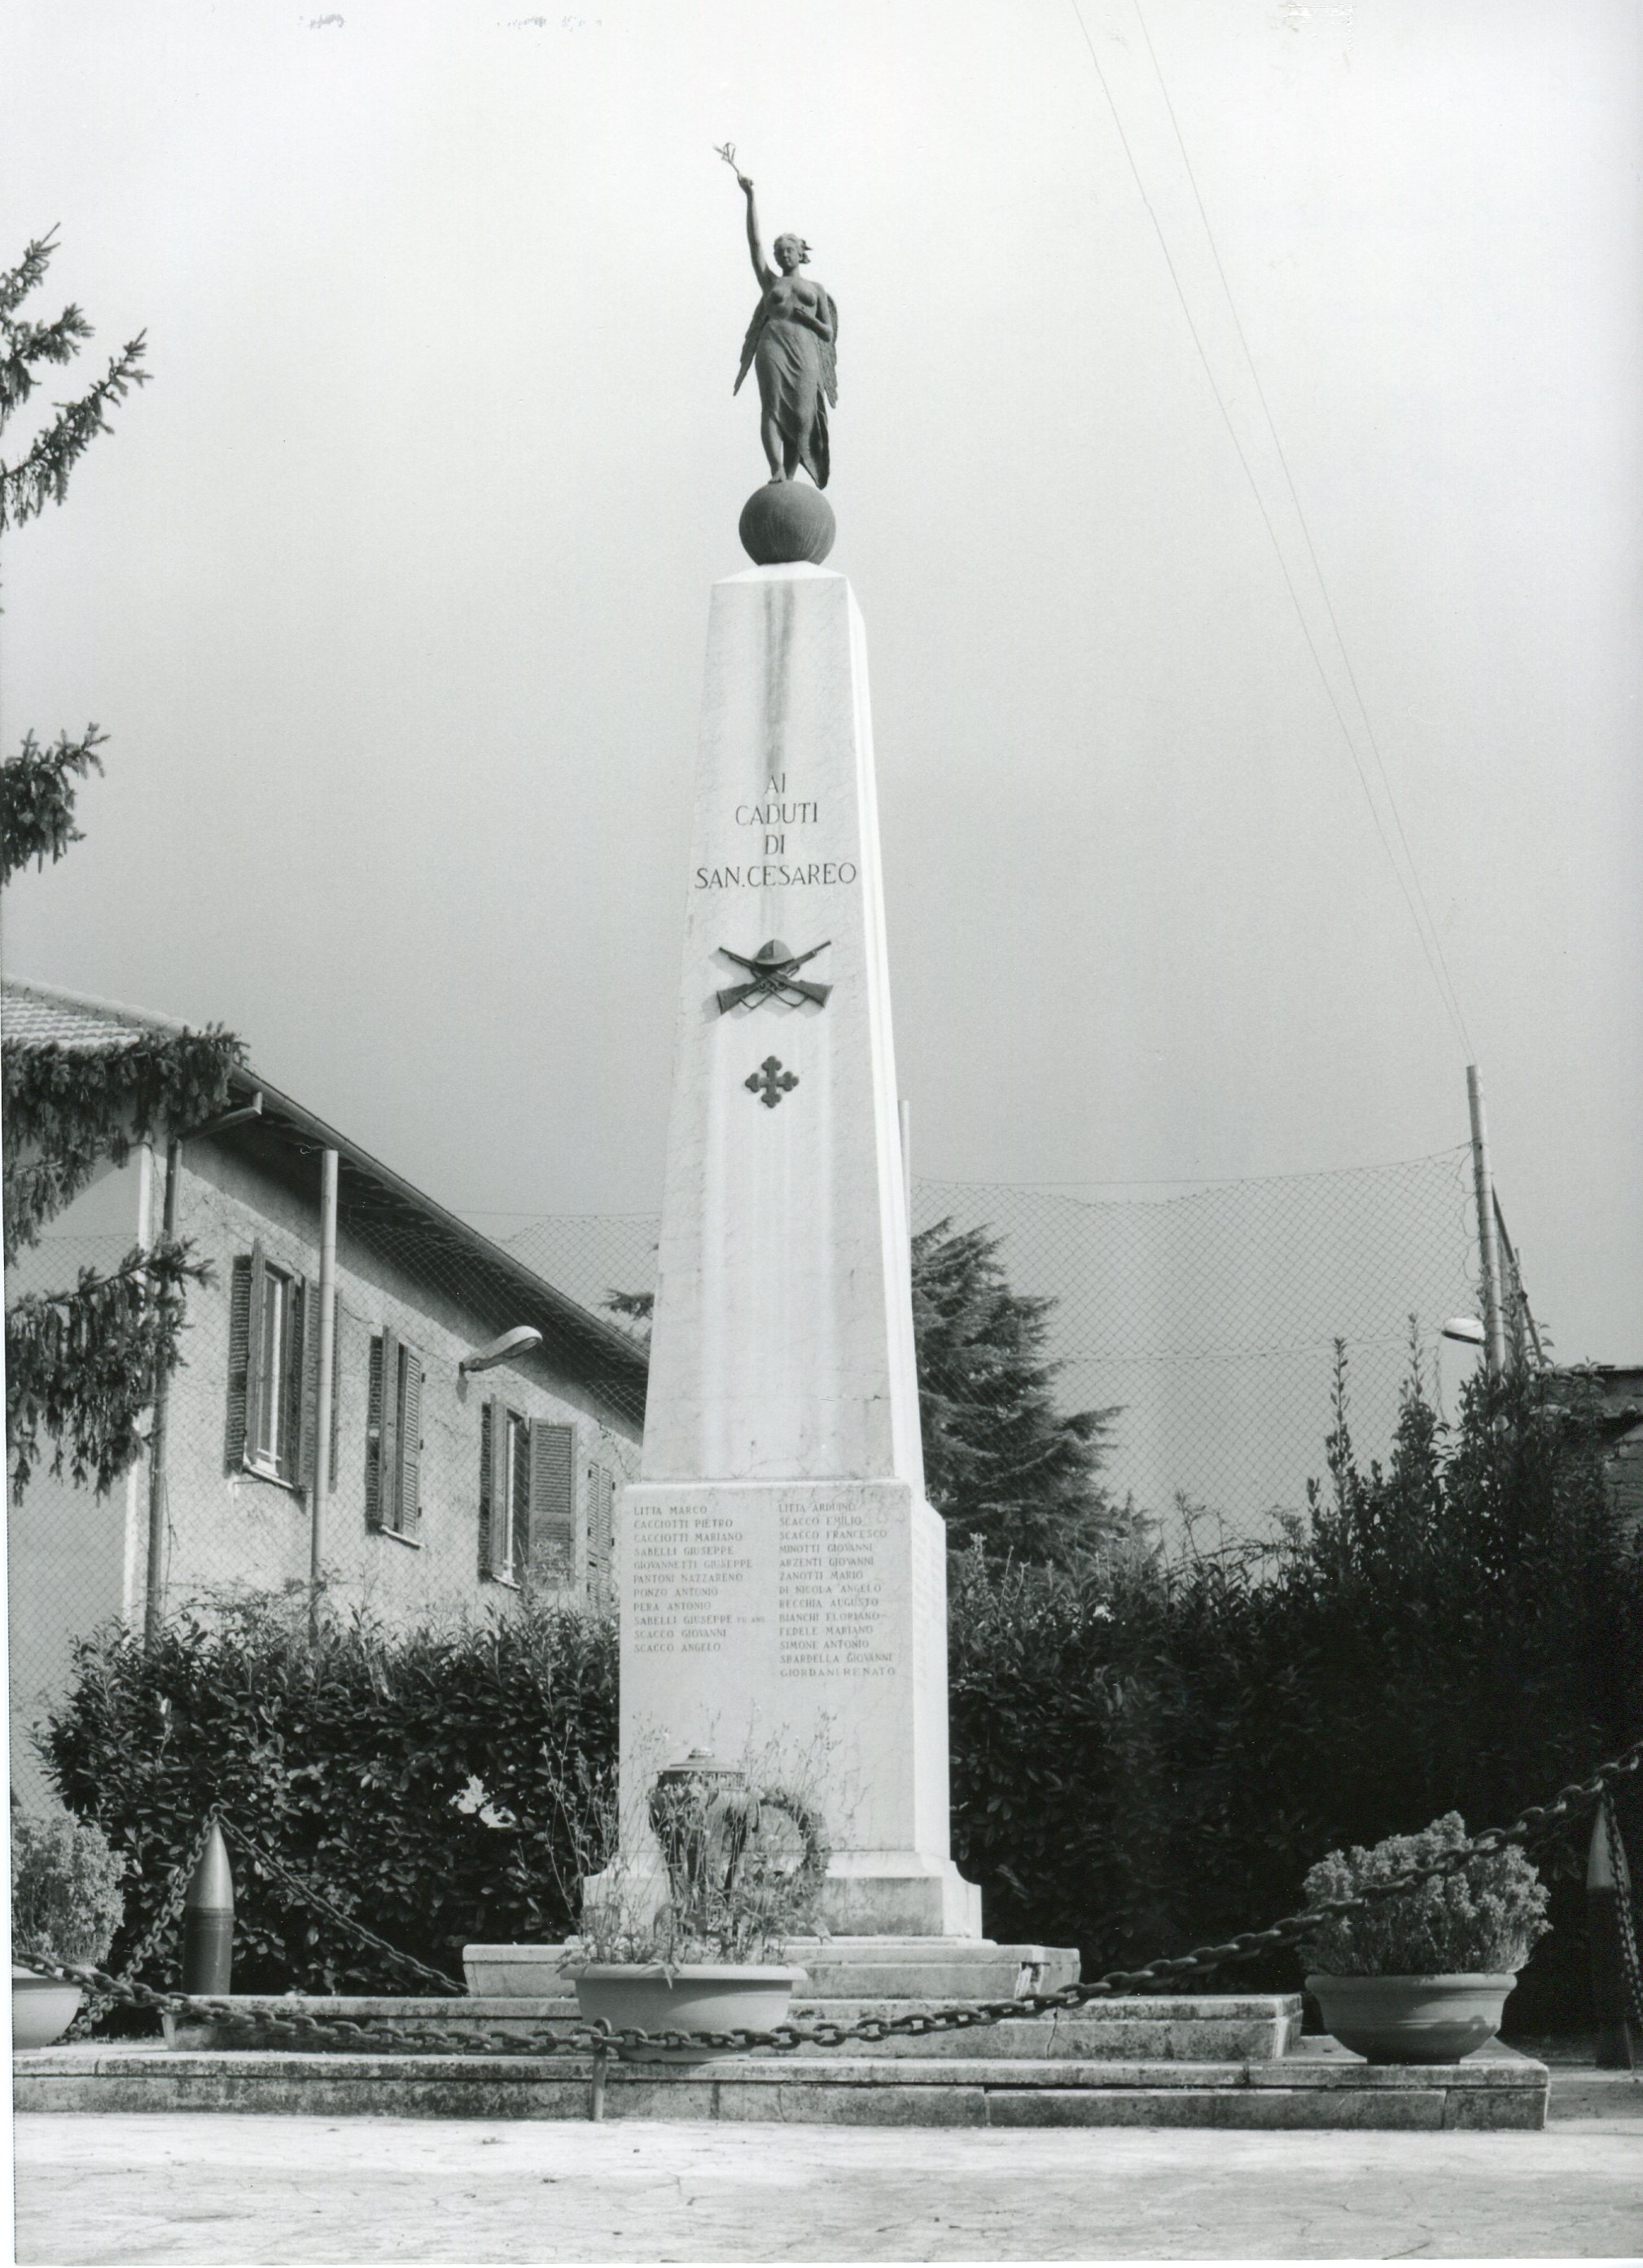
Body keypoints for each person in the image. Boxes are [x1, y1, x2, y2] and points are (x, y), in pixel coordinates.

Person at [730, 170, 839, 488]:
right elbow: (754, 243)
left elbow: (828, 334)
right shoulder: (771, 283)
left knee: (803, 417)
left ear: (800, 253)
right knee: (773, 407)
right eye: (779, 253)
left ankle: (790, 475)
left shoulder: (816, 289)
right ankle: (777, 468)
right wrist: (750, 198)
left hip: (805, 348)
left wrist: (809, 321)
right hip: (773, 343)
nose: (782, 255)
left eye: (788, 250)